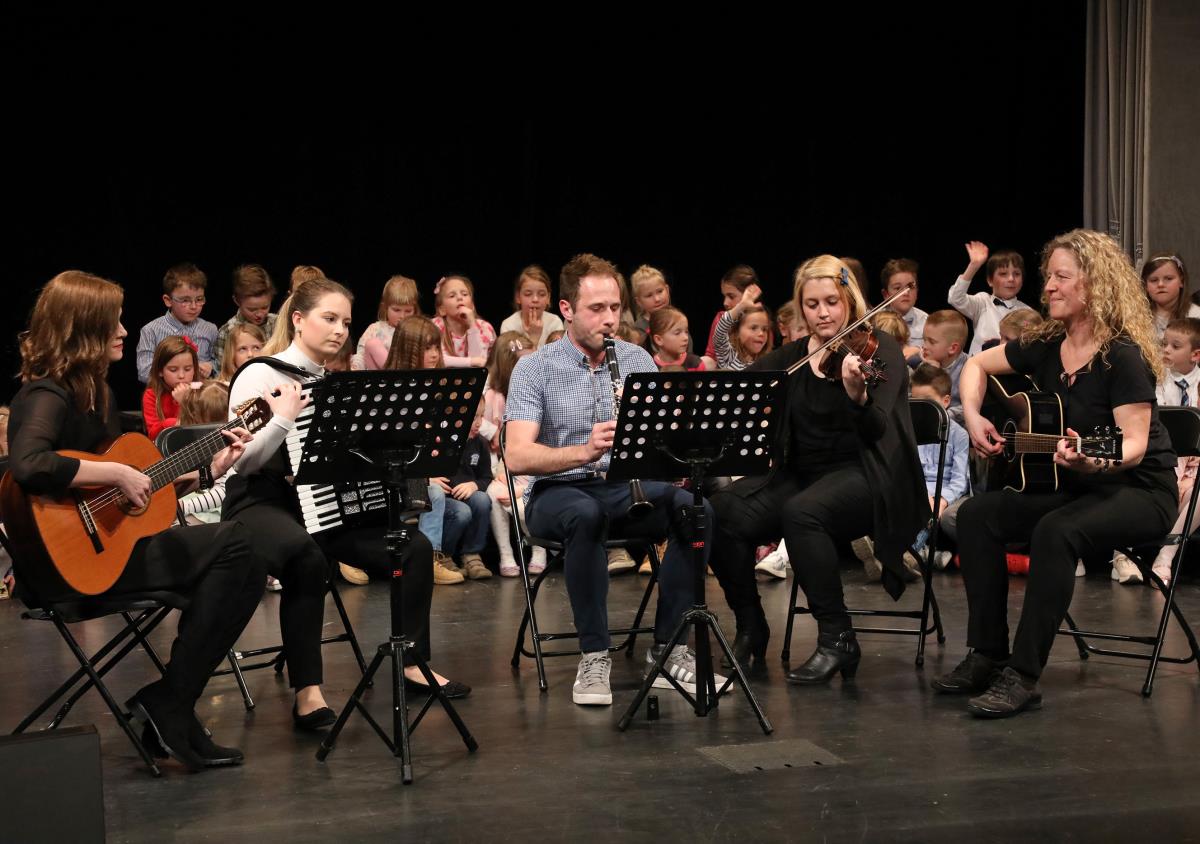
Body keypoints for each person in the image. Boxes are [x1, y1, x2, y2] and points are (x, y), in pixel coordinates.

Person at [8, 270, 261, 771]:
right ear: (83, 328)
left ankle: (175, 701)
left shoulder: (96, 393)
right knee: (237, 546)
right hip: (63, 571)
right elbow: (29, 464)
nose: (124, 331)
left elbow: (132, 496)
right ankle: (172, 704)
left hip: (110, 553)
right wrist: (118, 473)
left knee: (244, 557)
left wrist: (208, 471)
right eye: (114, 322)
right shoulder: (47, 394)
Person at [934, 228, 1177, 718]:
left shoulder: (1122, 356)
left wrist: (1092, 459)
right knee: (977, 515)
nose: (1048, 287)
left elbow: (1132, 445)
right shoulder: (1047, 343)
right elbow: (977, 365)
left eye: (1061, 277)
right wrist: (974, 415)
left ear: (1095, 284)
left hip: (1139, 489)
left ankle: (1023, 675)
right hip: (1078, 484)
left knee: (1056, 531)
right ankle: (987, 653)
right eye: (1048, 277)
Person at [224, 278, 468, 730]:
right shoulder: (260, 374)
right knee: (306, 557)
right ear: (299, 319)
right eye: (329, 318)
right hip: (263, 500)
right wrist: (282, 421)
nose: (340, 330)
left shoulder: (333, 383)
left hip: (322, 504)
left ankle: (412, 663)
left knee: (412, 547)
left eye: (346, 322)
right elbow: (244, 463)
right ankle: (308, 691)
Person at [505, 252, 721, 706]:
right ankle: (594, 654)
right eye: (596, 308)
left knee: (694, 510)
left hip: (624, 487)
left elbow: (662, 444)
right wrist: (584, 451)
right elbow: (517, 455)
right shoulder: (535, 368)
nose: (609, 319)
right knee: (585, 514)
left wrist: (664, 444)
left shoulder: (636, 359)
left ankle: (669, 650)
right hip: (557, 492)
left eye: (615, 308)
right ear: (567, 309)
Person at [708, 255, 928, 678]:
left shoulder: (879, 350)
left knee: (803, 512)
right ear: (801, 308)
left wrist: (858, 397)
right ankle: (751, 626)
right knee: (722, 512)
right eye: (812, 304)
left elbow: (879, 428)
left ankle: (837, 638)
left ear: (849, 301)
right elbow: (735, 391)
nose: (823, 313)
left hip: (870, 475)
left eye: (831, 302)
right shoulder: (789, 358)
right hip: (802, 476)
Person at [1110, 316, 1200, 585]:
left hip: (1194, 463)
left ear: (1195, 355)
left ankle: (1165, 557)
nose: (1166, 351)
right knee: (1139, 481)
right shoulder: (1154, 379)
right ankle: (1123, 553)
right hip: (1162, 458)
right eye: (1164, 344)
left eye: (1175, 346)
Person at [136, 263, 219, 382]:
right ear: (168, 300)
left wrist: (211, 367)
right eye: (185, 300)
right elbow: (144, 372)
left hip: (201, 392)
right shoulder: (151, 330)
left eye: (199, 299)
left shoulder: (210, 329)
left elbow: (220, 364)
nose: (194, 306)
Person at [948, 241, 1033, 355]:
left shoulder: (1027, 312)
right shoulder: (983, 302)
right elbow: (955, 298)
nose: (1011, 279)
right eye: (1003, 274)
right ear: (990, 280)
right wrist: (973, 266)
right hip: (978, 364)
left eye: (1017, 274)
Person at [213, 263, 277, 363]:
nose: (259, 314)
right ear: (237, 301)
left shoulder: (278, 323)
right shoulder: (227, 332)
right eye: (252, 309)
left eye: (265, 307)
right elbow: (223, 369)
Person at [354, 274, 420, 370]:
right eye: (396, 310)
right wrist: (354, 367)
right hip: (378, 377)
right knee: (373, 344)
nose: (402, 316)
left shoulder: (417, 330)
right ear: (385, 307)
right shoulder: (375, 329)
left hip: (408, 375)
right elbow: (361, 355)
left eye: (408, 311)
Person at [431, 275, 496, 367]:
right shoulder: (434, 326)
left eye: (464, 294)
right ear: (442, 309)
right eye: (452, 296)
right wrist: (472, 361)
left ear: (472, 306)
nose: (459, 298)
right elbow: (437, 359)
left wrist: (472, 326)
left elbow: (480, 364)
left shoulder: (484, 328)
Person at [142, 336, 200, 440]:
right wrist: (172, 422)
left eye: (187, 369)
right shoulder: (152, 395)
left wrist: (185, 402)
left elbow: (201, 428)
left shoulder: (201, 392)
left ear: (194, 369)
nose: (181, 375)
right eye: (173, 370)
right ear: (160, 371)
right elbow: (153, 435)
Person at [920, 310, 970, 423]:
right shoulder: (924, 364)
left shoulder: (969, 369)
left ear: (952, 348)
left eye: (931, 342)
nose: (924, 346)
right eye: (924, 339)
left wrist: (942, 416)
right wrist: (931, 371)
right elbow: (914, 396)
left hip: (956, 427)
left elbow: (969, 407)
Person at [499, 265, 564, 348]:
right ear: (518, 297)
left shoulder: (554, 322)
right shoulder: (508, 325)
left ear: (548, 298)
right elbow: (511, 356)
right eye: (528, 294)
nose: (535, 299)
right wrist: (534, 339)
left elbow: (557, 354)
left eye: (542, 294)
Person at [713, 283, 773, 370]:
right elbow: (720, 332)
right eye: (753, 328)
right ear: (737, 331)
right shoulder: (728, 357)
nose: (761, 333)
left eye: (764, 329)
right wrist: (742, 305)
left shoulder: (766, 363)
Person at [1142, 253, 1197, 341]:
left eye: (1168, 278)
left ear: (1181, 281)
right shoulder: (1138, 316)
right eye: (1154, 280)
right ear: (1146, 285)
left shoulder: (1195, 316)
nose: (1160, 284)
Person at [881, 258, 927, 347]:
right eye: (898, 288)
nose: (906, 293)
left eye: (911, 287)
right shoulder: (875, 322)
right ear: (885, 294)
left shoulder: (927, 323)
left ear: (917, 291)